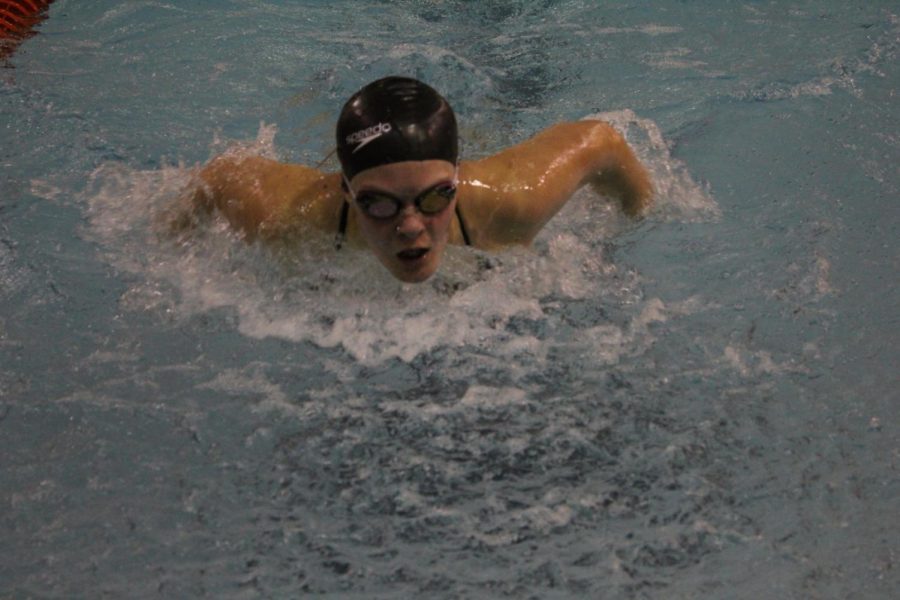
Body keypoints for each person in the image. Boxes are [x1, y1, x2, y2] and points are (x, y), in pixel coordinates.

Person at [171, 76, 653, 283]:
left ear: (459, 182)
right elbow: (219, 176)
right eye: (378, 203)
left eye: (433, 199)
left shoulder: (512, 203)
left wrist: (638, 224)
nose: (409, 227)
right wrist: (173, 248)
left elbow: (602, 140)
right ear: (345, 191)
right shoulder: (287, 219)